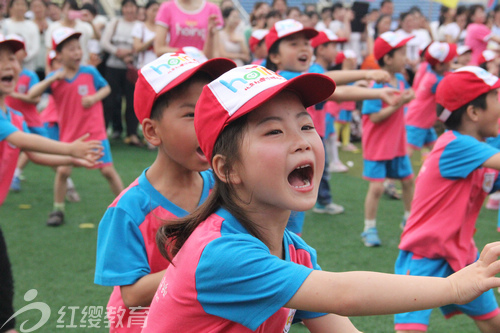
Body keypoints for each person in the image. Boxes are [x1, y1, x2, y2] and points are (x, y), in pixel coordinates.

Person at [142, 63, 500, 333]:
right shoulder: (222, 253)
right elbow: (343, 293)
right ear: (227, 169)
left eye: (306, 125)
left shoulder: (292, 249)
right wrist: (454, 286)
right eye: (274, 131)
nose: (301, 141)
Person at [94, 53, 236, 333]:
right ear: (151, 131)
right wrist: (203, 264)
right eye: (192, 114)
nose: (208, 124)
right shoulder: (128, 210)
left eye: (212, 111)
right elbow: (132, 294)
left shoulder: (222, 187)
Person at [0, 34, 101, 333]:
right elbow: (20, 139)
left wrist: (69, 161)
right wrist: (69, 150)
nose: (10, 65)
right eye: (2, 59)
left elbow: (32, 152)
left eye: (12, 59)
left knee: (4, 290)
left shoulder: (14, 115)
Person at [396, 66, 500, 333]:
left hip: (463, 256)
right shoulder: (455, 144)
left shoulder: (482, 152)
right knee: (410, 330)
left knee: (493, 322)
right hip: (424, 255)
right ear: (474, 112)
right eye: (496, 96)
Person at [28, 27, 123, 226]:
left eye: (78, 48)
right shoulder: (56, 79)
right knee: (63, 171)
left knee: (107, 171)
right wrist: (52, 78)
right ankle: (58, 210)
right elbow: (32, 95)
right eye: (71, 49)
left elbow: (106, 88)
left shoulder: (89, 71)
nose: (77, 53)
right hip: (70, 134)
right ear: (59, 54)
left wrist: (94, 97)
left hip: (95, 132)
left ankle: (125, 207)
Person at [361, 31, 416, 247]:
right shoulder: (377, 85)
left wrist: (406, 98)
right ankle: (369, 228)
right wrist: (400, 103)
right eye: (401, 53)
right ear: (388, 59)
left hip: (398, 144)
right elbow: (374, 117)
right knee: (376, 188)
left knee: (408, 181)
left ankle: (410, 220)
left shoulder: (401, 79)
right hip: (378, 146)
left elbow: (404, 99)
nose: (406, 57)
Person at [405, 42, 457, 158]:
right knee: (407, 153)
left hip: (424, 121)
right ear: (439, 66)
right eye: (449, 61)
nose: (452, 63)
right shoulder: (436, 81)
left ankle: (434, 172)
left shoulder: (432, 72)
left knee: (436, 150)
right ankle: (398, 175)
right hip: (417, 120)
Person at [100, 0, 141, 146]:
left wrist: (129, 53)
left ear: (136, 9)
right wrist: (117, 52)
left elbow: (142, 45)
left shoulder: (140, 25)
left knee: (132, 101)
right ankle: (102, 132)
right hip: (113, 67)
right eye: (126, 7)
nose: (129, 10)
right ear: (122, 9)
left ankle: (132, 134)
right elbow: (104, 42)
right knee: (109, 100)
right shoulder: (115, 23)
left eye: (132, 7)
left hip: (132, 68)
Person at [154, 0, 222, 60]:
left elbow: (215, 54)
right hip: (176, 67)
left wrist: (210, 35)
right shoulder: (167, 8)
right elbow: (159, 50)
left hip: (201, 68)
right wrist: (190, 53)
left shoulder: (212, 9)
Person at [45, 0, 93, 65]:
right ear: (62, 10)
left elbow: (95, 40)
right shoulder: (54, 27)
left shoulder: (85, 27)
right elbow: (49, 51)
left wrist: (90, 21)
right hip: (60, 68)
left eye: (74, 9)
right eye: (69, 8)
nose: (71, 11)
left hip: (81, 66)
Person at [3, 0, 40, 71]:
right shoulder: (4, 24)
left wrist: (23, 57)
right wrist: (11, 58)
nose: (20, 7)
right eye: (17, 4)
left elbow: (35, 48)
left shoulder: (32, 25)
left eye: (23, 5)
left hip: (28, 67)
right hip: (7, 67)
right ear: (10, 8)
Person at [132, 0, 158, 69]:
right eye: (154, 10)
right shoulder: (140, 26)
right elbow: (137, 48)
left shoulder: (163, 28)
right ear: (146, 11)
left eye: (158, 10)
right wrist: (152, 40)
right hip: (145, 67)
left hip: (160, 67)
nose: (156, 13)